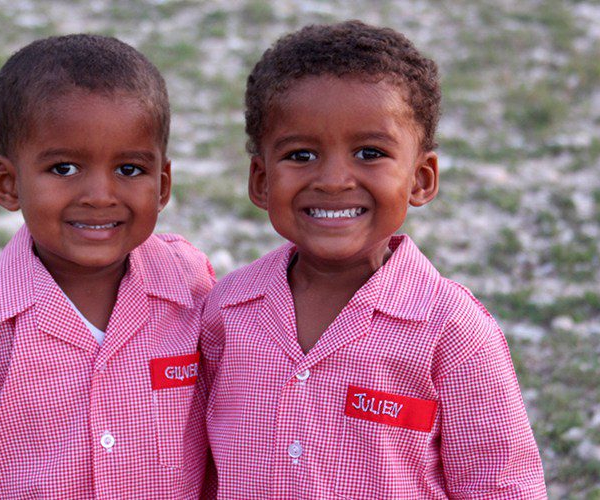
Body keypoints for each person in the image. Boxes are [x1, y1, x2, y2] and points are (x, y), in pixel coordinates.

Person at [200, 20, 546, 498]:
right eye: (301, 155)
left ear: (421, 179)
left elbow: (501, 484)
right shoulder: (227, 311)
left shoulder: (453, 331)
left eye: (369, 152)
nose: (334, 180)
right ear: (260, 181)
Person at [0, 34, 215, 498]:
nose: (100, 194)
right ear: (7, 183)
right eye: (63, 169)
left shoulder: (192, 284)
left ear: (162, 183)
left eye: (130, 169)